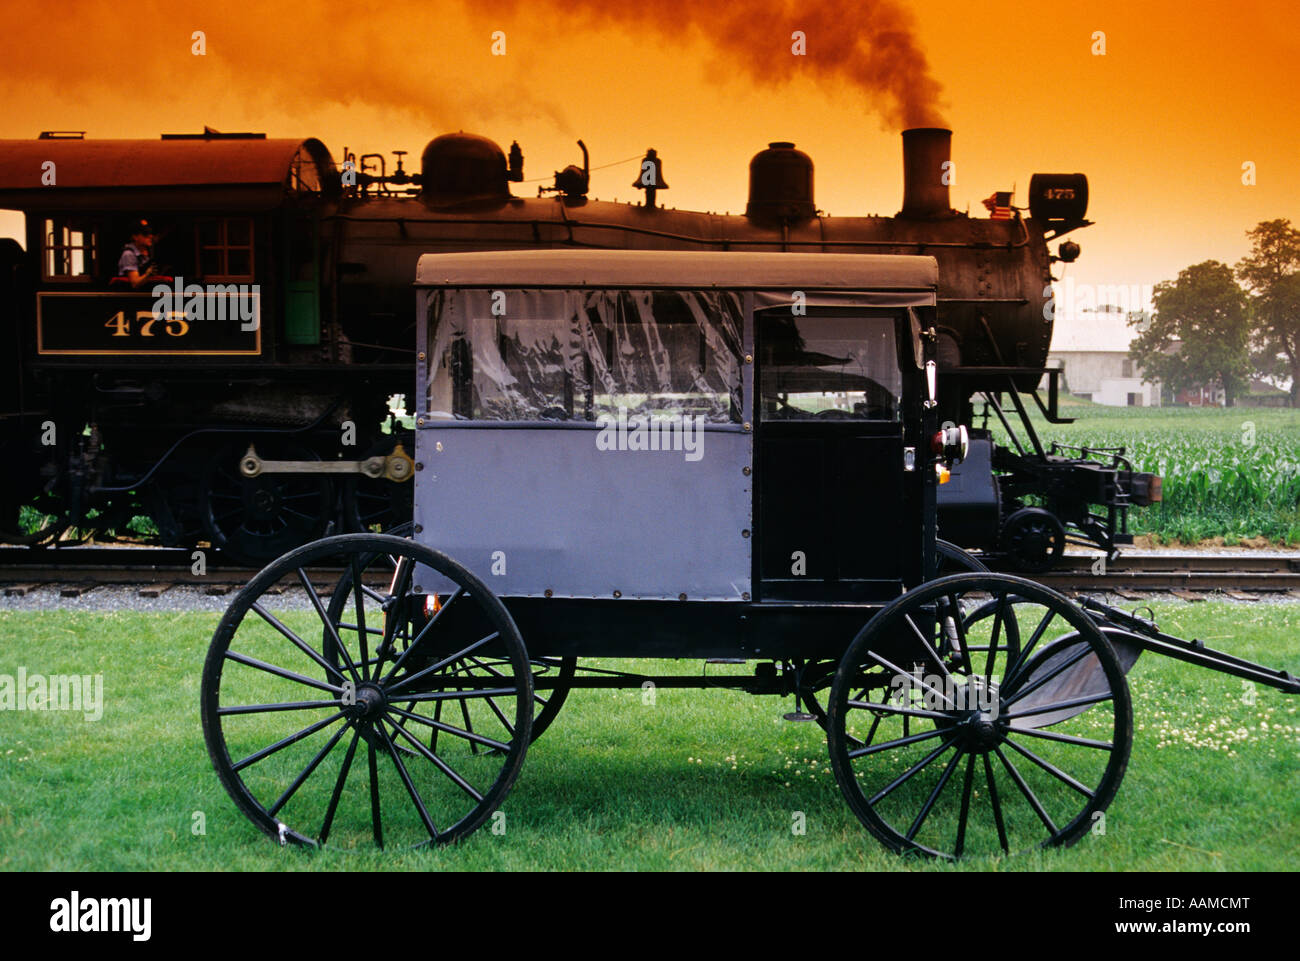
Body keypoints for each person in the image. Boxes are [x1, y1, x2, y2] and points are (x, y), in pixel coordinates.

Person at [117, 219, 156, 288]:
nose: (150, 236)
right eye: (145, 234)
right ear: (135, 237)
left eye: (150, 233)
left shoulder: (150, 252)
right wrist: (148, 274)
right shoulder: (128, 254)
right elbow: (135, 283)